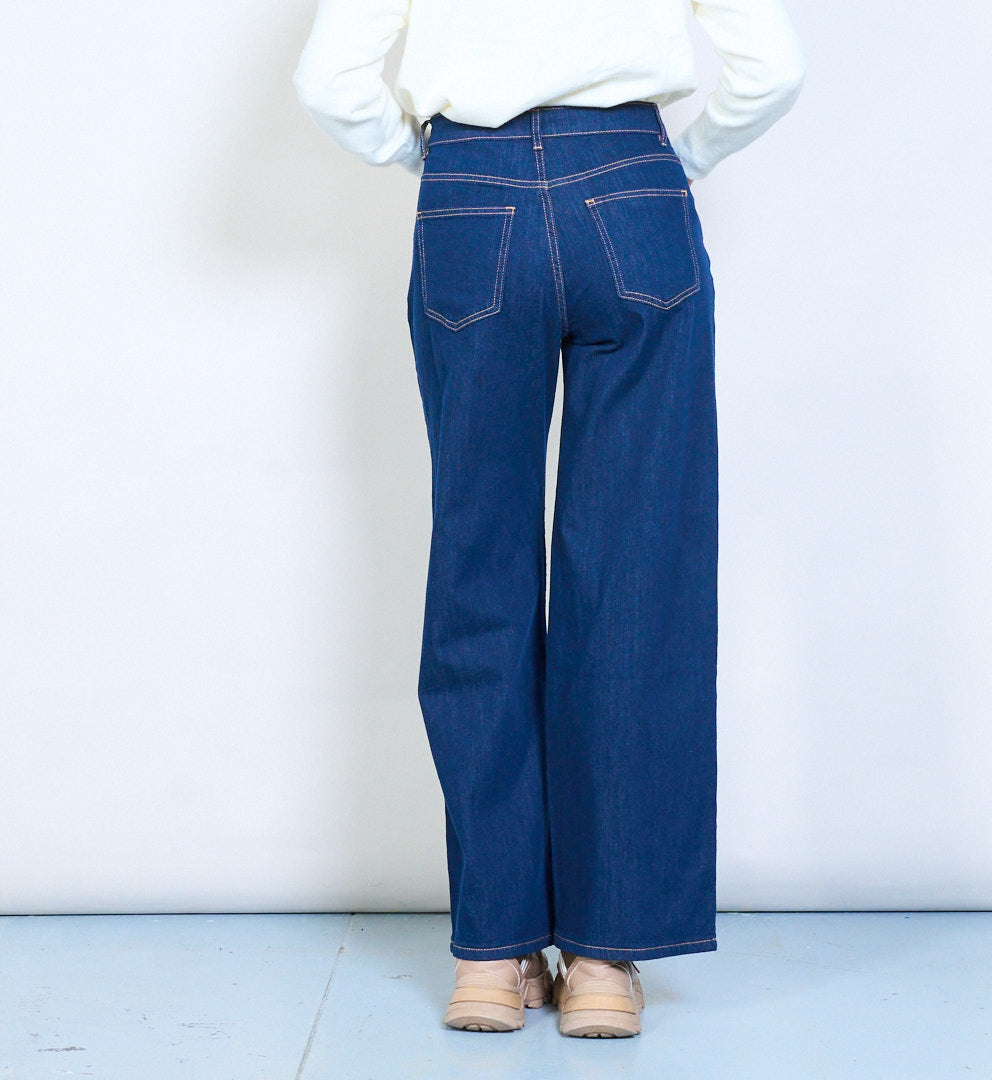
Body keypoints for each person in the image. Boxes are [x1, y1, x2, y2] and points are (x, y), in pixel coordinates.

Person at [294, 0, 805, 1039]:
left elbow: (329, 82)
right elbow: (773, 68)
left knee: (478, 570)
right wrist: (683, 158)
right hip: (634, 192)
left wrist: (436, 160)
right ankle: (606, 963)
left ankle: (491, 957)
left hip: (469, 200)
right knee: (634, 578)